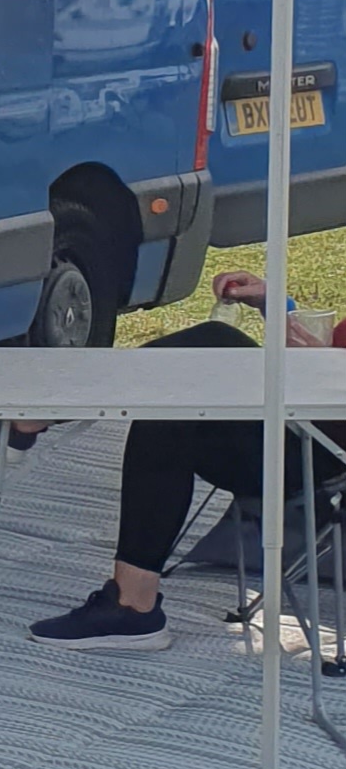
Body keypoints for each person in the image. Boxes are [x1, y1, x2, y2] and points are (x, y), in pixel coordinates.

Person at [24, 273, 346, 650]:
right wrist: (277, 307)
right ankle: (132, 606)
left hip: (321, 457)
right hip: (301, 424)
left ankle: (42, 411)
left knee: (214, 344)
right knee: (174, 402)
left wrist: (322, 368)